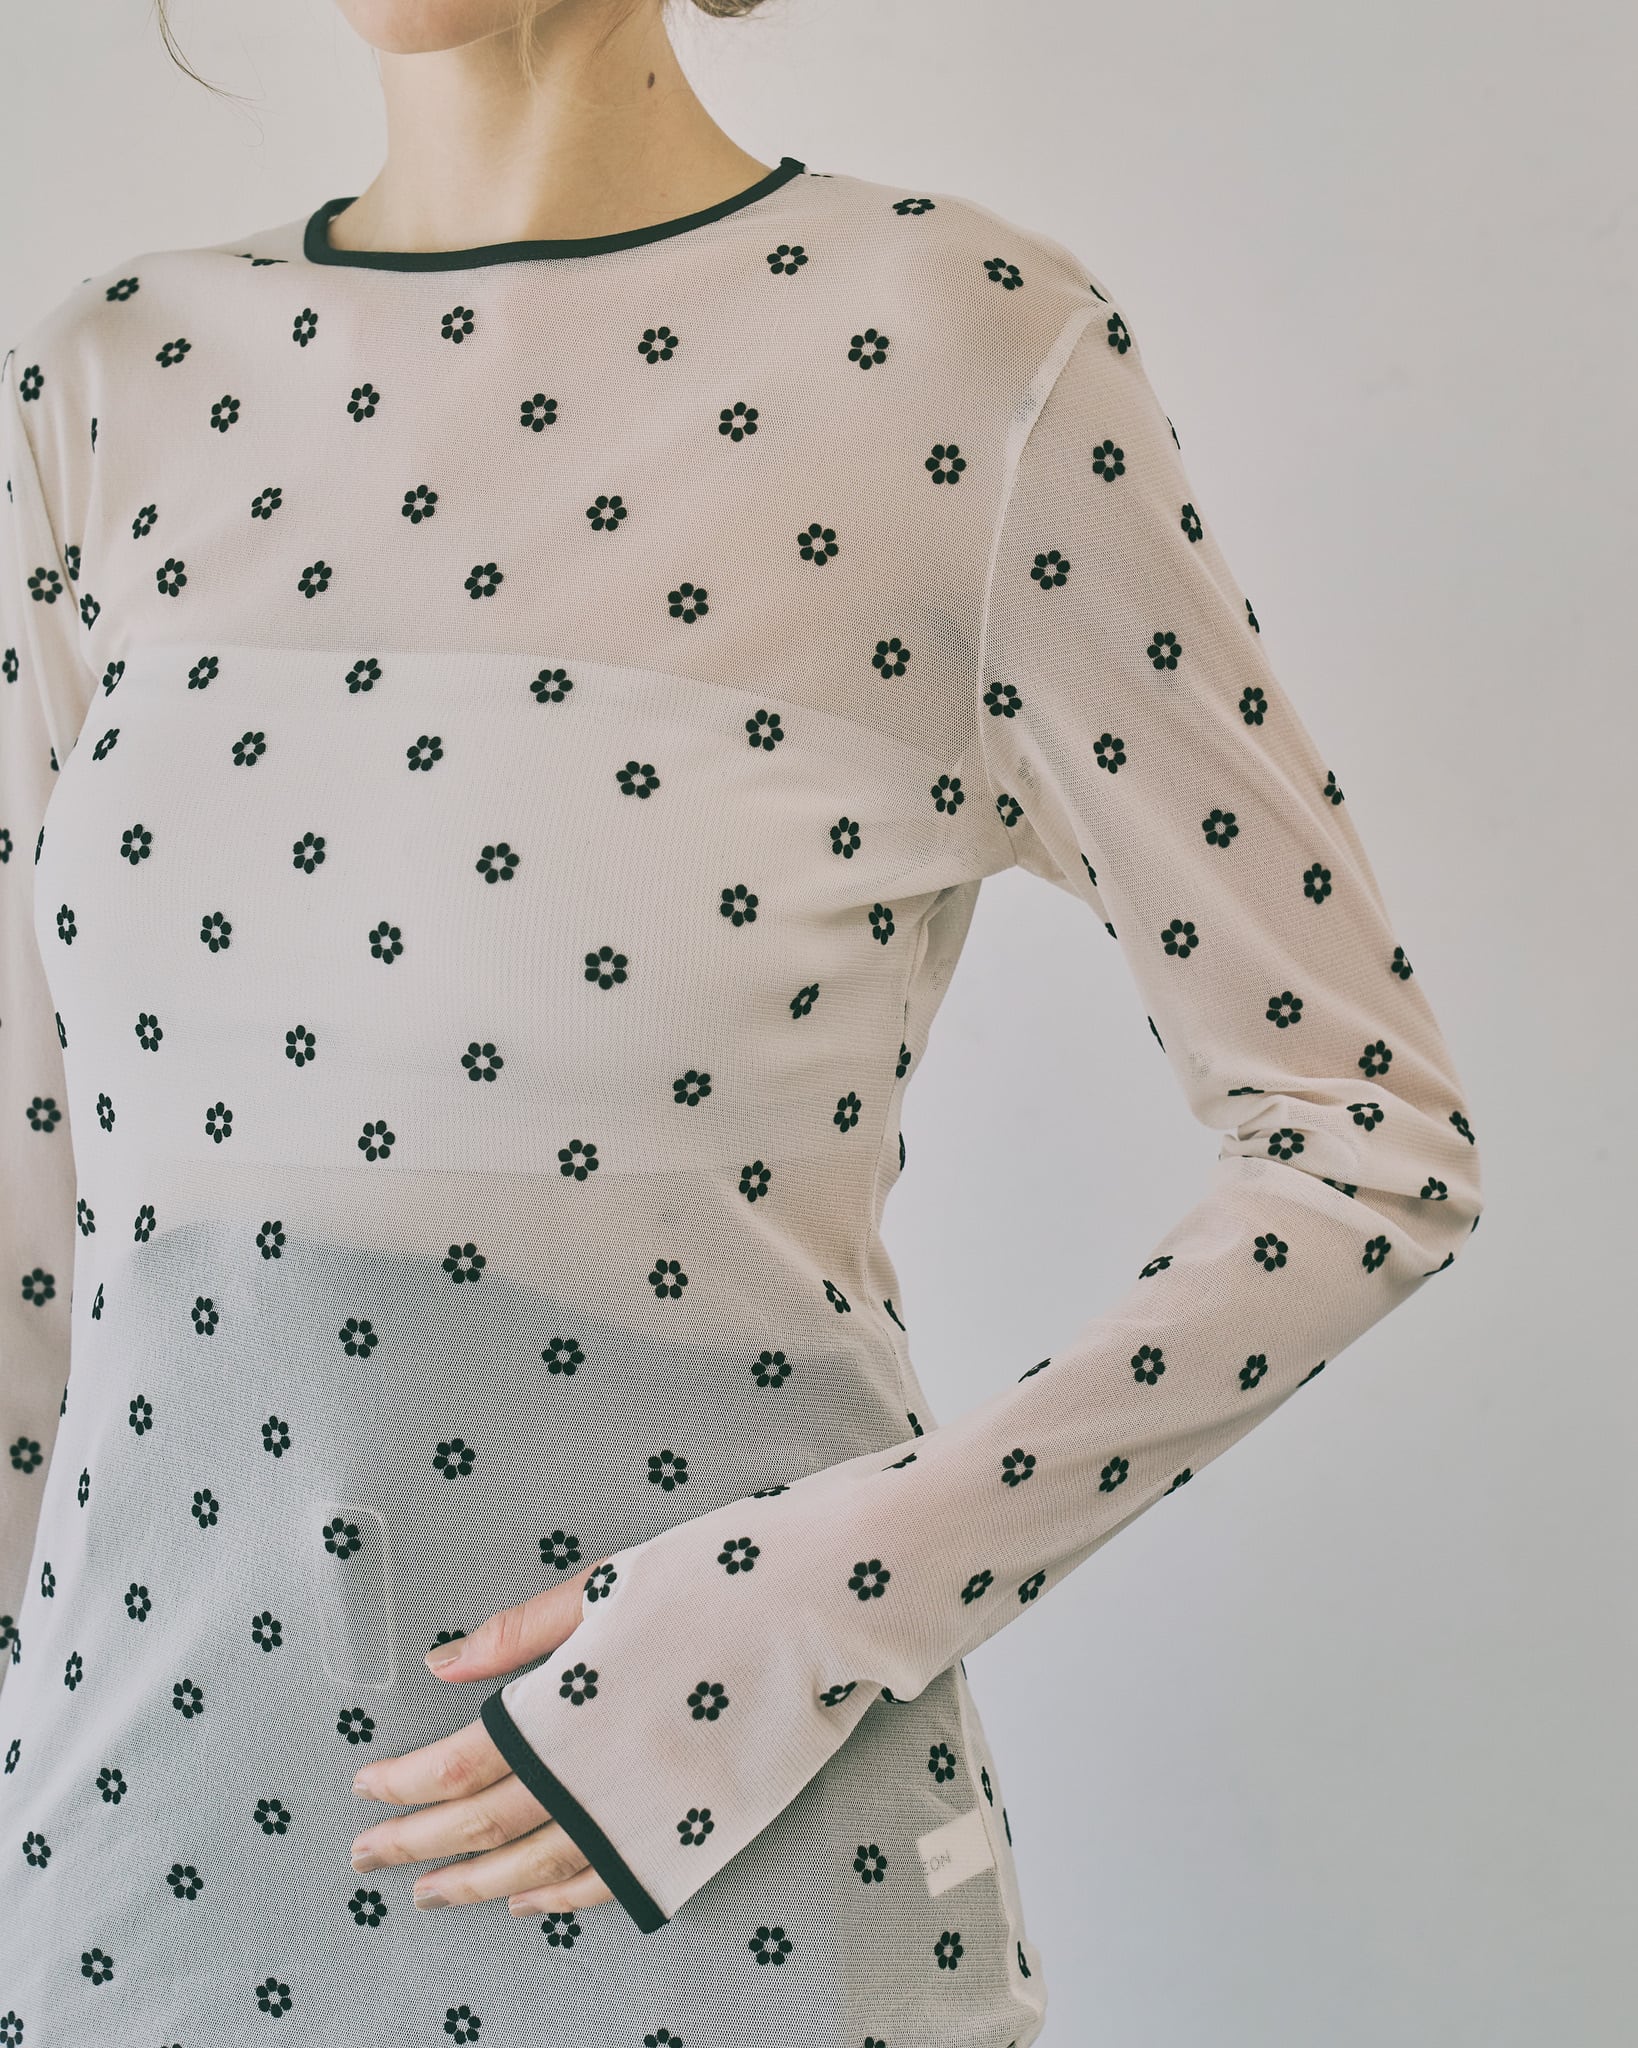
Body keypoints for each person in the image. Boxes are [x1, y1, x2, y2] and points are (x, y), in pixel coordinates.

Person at [0, 0, 1486, 2040]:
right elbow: (28, 1181)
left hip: (739, 1861)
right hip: (137, 1861)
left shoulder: (964, 355)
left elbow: (1365, 1140)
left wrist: (811, 1609)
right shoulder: (114, 381)